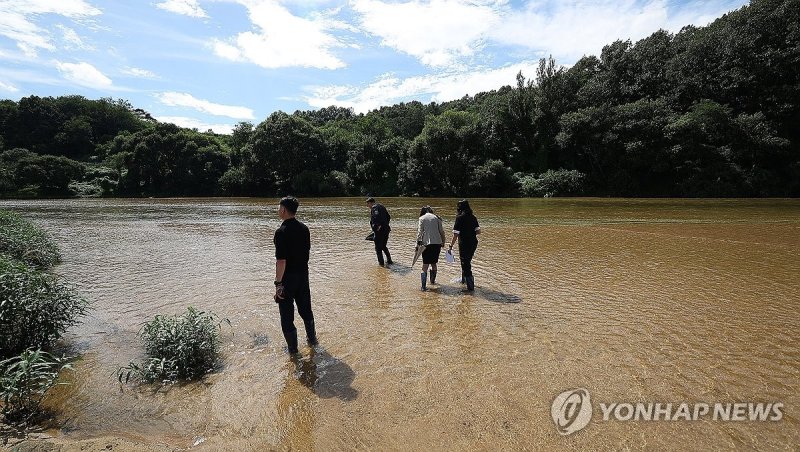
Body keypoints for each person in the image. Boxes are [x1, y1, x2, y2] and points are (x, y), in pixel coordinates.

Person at [273, 196, 317, 354]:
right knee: (306, 310)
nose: (278, 210)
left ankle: (293, 352)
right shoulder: (304, 228)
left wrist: (278, 284)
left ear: (283, 209)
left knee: (286, 316)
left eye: (279, 207)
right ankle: (312, 341)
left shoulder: (281, 232)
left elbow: (281, 261)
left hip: (288, 278)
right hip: (303, 276)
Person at [448, 199, 480, 291]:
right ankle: (464, 281)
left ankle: (470, 289)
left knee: (465, 264)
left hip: (464, 243)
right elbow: (478, 231)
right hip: (473, 242)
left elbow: (456, 234)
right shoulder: (473, 217)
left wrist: (451, 245)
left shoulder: (459, 218)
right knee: (467, 262)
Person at [417, 206, 446, 291]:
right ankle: (432, 282)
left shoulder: (422, 218)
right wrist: (443, 242)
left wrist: (417, 244)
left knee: (425, 265)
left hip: (426, 244)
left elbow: (419, 233)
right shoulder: (437, 218)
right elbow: (442, 231)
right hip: (437, 244)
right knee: (434, 263)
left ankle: (423, 287)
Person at [366, 197, 392, 266]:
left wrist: (378, 227)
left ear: (370, 203)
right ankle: (389, 261)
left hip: (380, 231)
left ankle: (381, 265)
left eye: (368, 204)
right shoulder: (382, 206)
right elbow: (388, 217)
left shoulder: (374, 208)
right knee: (383, 246)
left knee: (378, 249)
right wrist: (385, 225)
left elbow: (377, 218)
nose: (367, 206)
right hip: (386, 229)